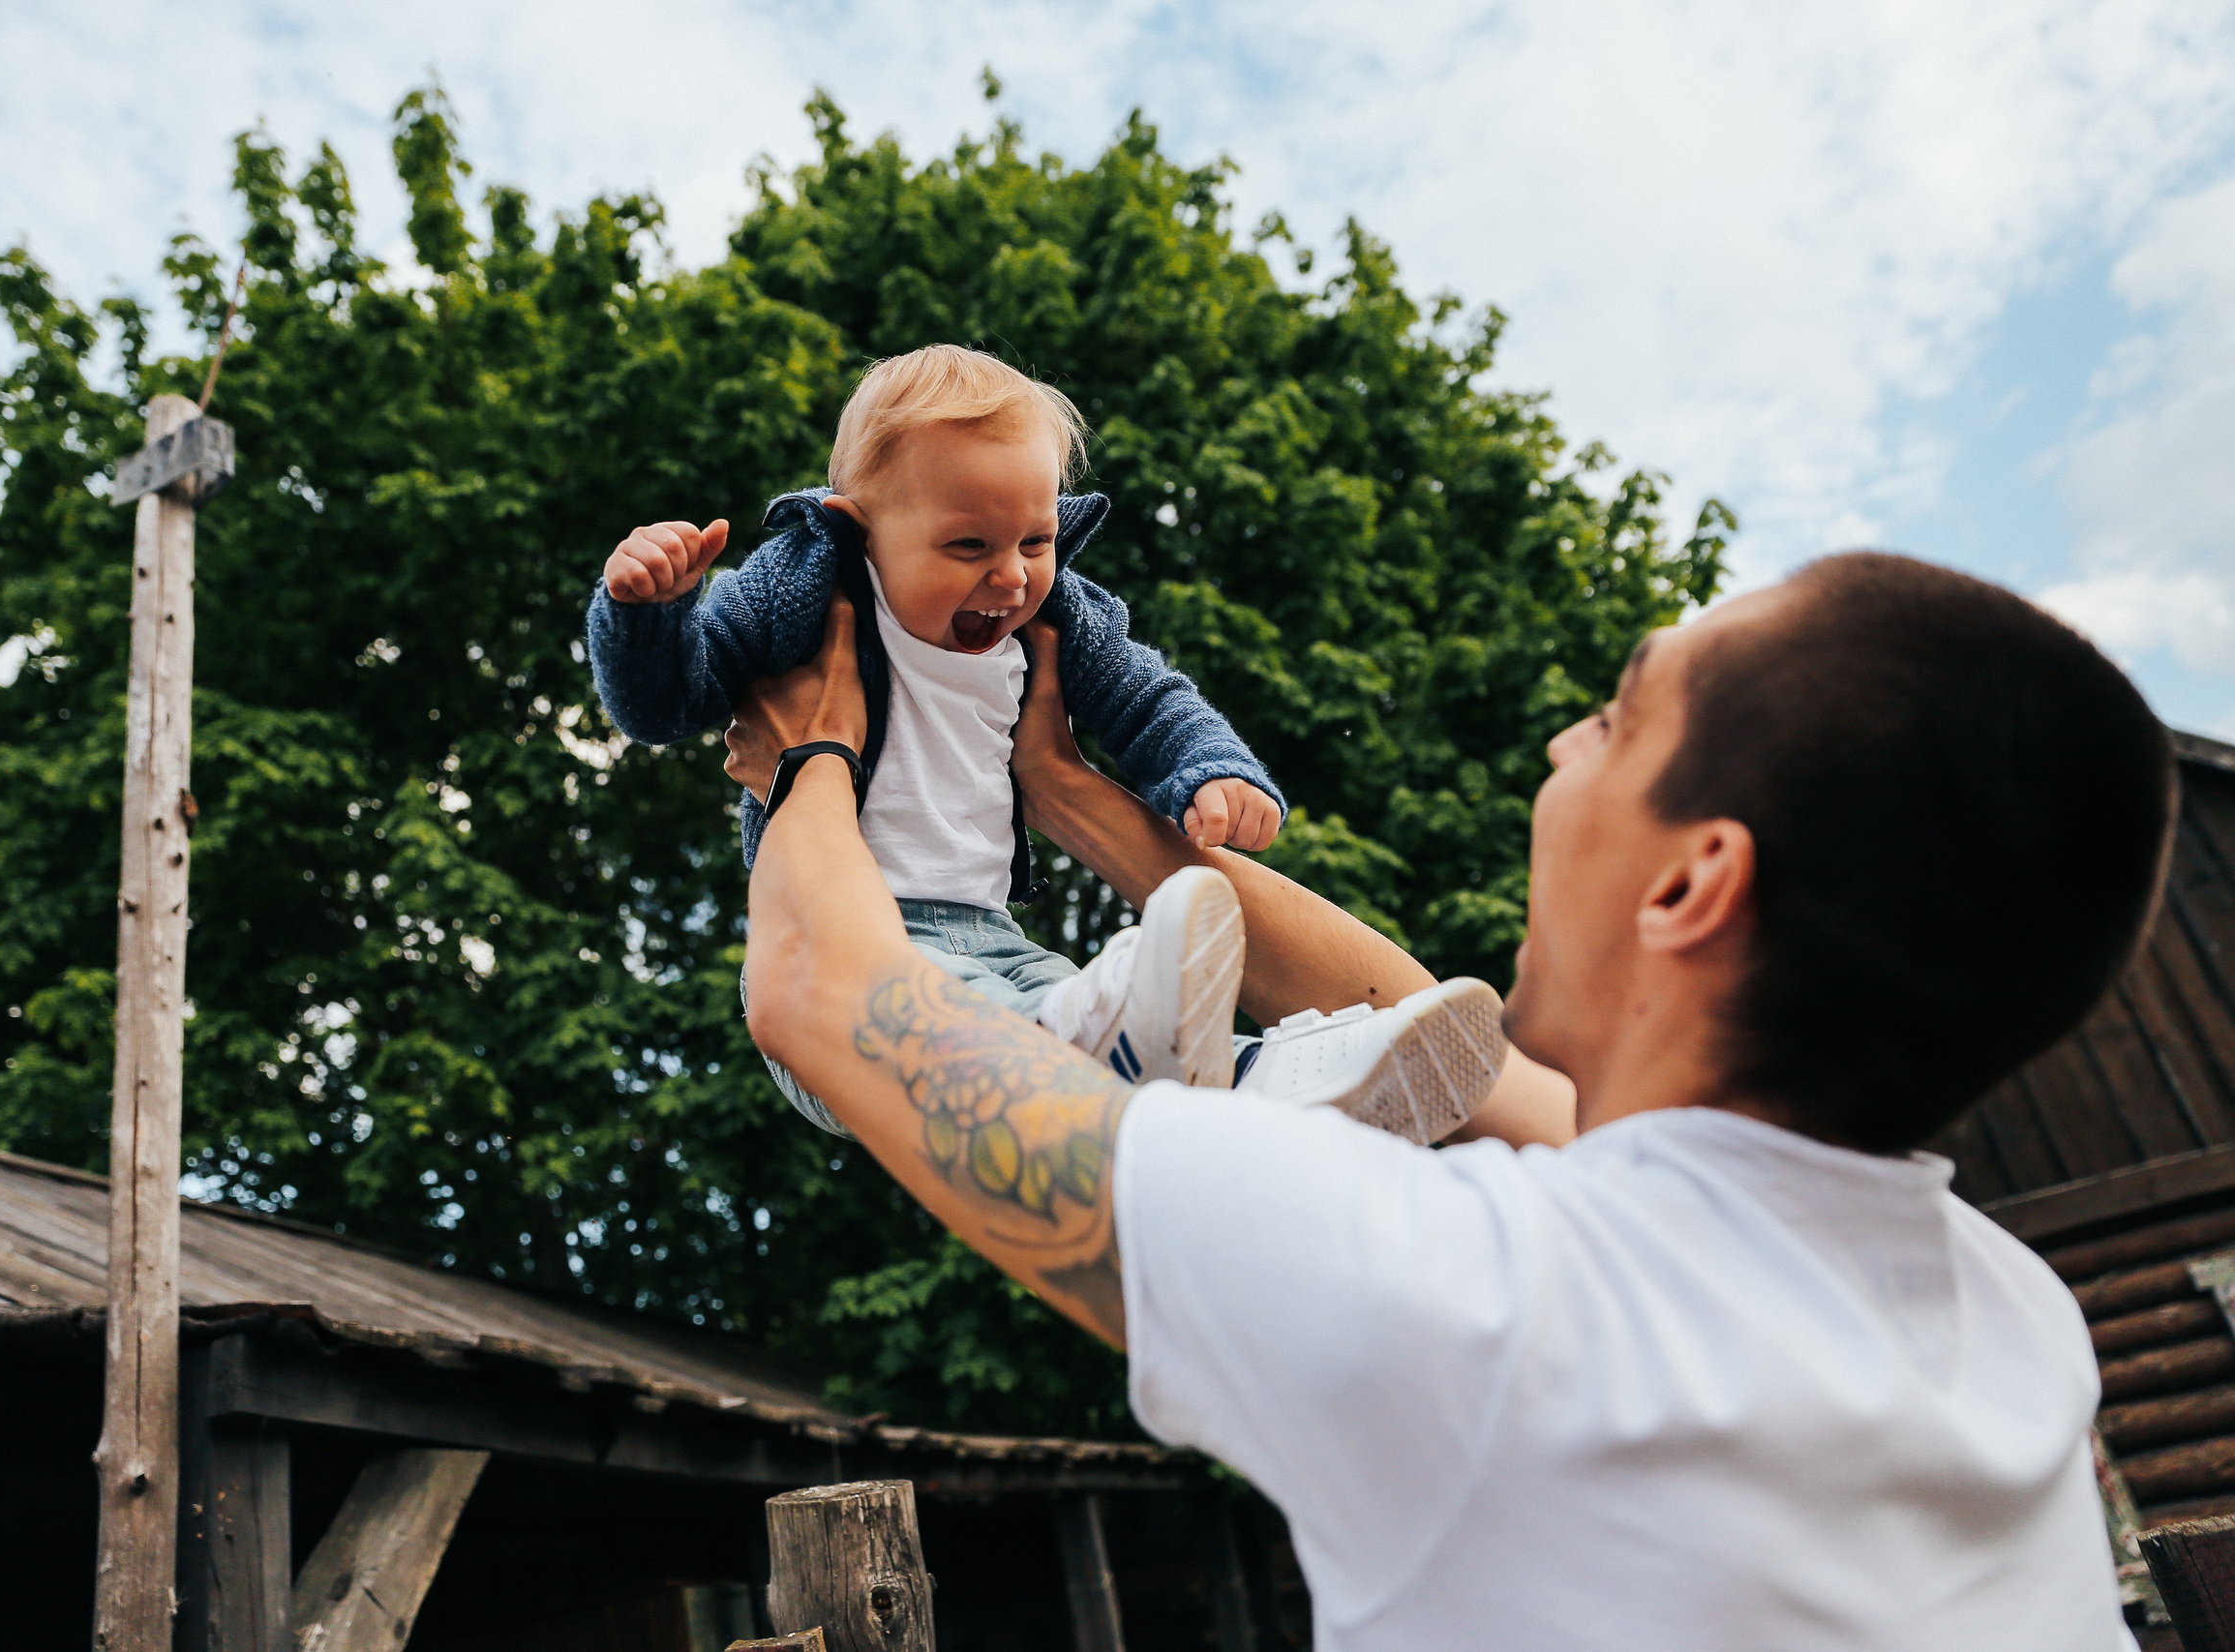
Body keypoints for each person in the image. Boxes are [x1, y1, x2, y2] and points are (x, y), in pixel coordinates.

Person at [731, 551, 2176, 1649]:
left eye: (1615, 722)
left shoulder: (1477, 1302)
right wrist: (1056, 783)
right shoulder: (2007, 1308)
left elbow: (821, 989)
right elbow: (1430, 1034)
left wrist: (814, 757)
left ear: (1693, 881)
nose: (1562, 748)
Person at [589, 345, 1499, 1142]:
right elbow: (669, 703)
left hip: (993, 939)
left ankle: (1267, 1075)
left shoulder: (1057, 617)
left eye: (1037, 537)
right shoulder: (802, 583)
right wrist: (647, 615)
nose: (1011, 574)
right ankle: (1081, 1043)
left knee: (1082, 1017)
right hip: (832, 957)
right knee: (1020, 1016)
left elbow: (1148, 697)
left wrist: (1211, 768)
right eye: (968, 544)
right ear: (858, 528)